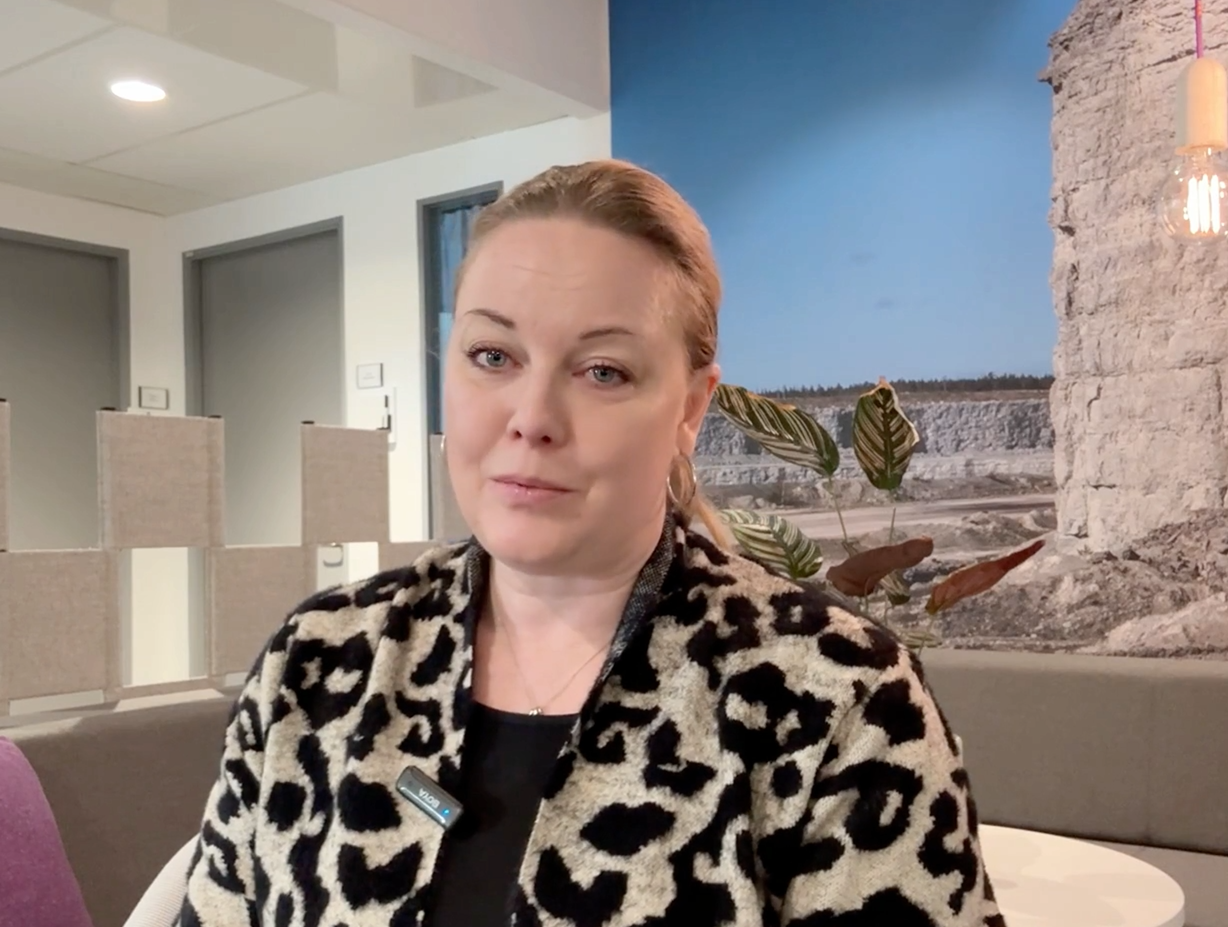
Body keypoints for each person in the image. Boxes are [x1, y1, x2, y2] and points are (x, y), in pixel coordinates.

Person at [176, 159, 1006, 927]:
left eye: (602, 370)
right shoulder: (317, 664)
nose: (531, 417)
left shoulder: (837, 697)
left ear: (689, 407)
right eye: (492, 354)